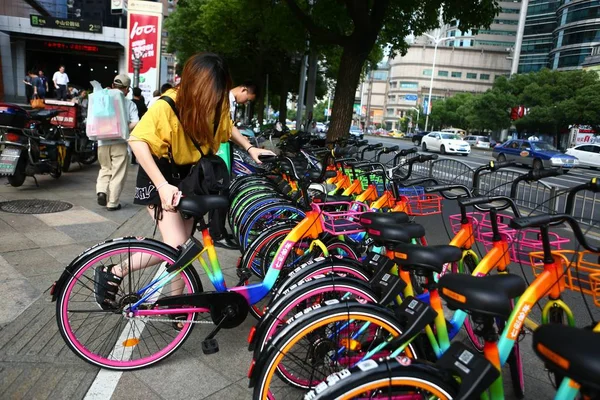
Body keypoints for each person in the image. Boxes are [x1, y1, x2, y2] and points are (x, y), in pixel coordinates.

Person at [89, 53, 276, 312]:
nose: (215, 100)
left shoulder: (217, 102)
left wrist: (249, 147)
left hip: (189, 175)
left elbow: (227, 125)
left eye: (219, 92)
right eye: (210, 92)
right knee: (175, 245)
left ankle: (178, 306)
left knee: (184, 245)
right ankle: (114, 270)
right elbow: (137, 141)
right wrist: (163, 186)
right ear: (194, 84)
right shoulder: (167, 105)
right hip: (160, 173)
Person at [96, 74, 139, 211]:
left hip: (102, 142)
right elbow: (136, 122)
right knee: (118, 172)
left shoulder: (102, 99)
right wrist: (124, 128)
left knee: (105, 169)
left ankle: (101, 190)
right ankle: (113, 203)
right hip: (119, 142)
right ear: (126, 89)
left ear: (113, 85)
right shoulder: (129, 103)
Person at [131, 87, 148, 165]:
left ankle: (132, 158)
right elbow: (146, 114)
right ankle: (135, 158)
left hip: (131, 124)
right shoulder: (142, 104)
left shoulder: (131, 103)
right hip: (140, 125)